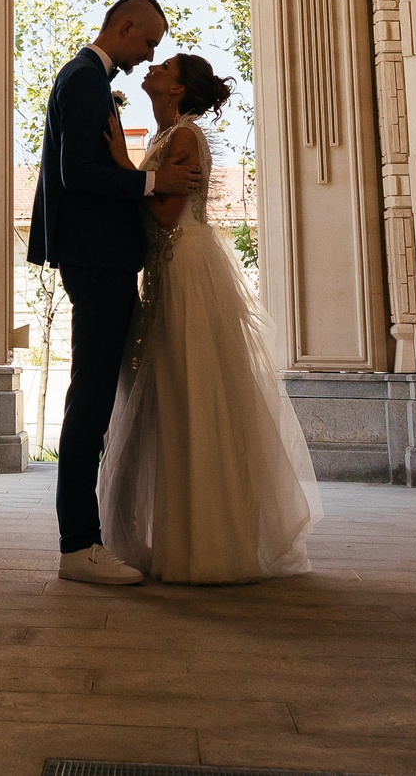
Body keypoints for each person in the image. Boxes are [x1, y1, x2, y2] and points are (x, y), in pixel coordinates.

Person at [98, 52, 323, 582]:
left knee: (190, 393)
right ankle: (182, 537)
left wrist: (125, 168)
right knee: (170, 398)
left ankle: (207, 546)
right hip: (161, 270)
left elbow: (169, 212)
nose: (152, 69)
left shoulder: (183, 137)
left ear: (177, 91)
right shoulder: (164, 137)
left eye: (165, 68)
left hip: (185, 272)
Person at [25, 0, 196, 585]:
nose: (151, 53)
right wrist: (150, 181)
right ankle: (78, 544)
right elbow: (76, 173)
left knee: (96, 397)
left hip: (104, 258)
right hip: (97, 260)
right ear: (125, 27)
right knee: (91, 399)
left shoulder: (89, 79)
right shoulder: (84, 80)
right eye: (148, 42)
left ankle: (87, 536)